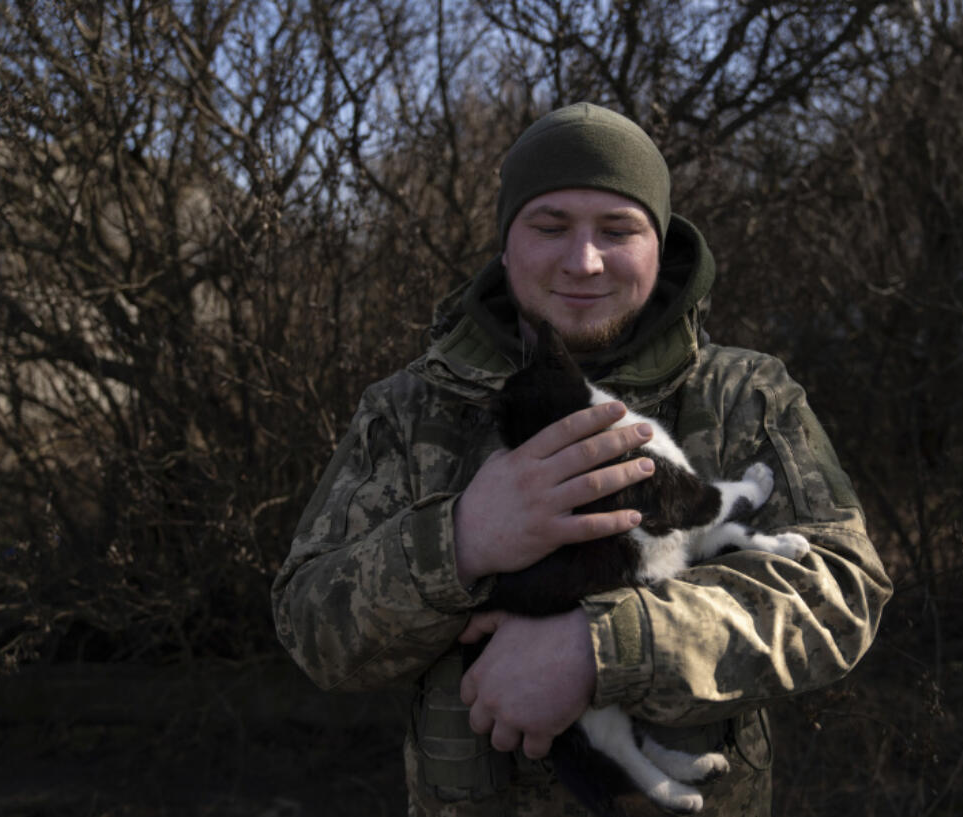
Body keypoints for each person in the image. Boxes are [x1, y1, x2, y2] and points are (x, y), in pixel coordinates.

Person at [272, 102, 892, 816]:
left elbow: (843, 594)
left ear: (659, 246)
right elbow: (309, 625)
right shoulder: (412, 408)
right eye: (550, 226)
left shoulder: (745, 394)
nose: (583, 260)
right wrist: (459, 539)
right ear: (507, 244)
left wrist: (603, 646)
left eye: (618, 229)